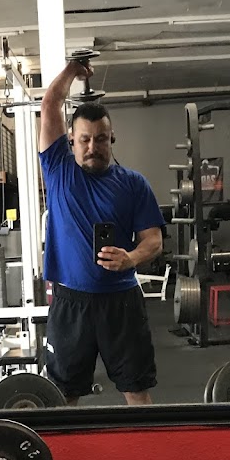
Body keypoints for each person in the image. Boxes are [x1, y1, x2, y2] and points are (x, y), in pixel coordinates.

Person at [38, 56, 165, 405]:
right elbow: (50, 105)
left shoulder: (134, 184)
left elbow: (153, 240)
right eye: (84, 140)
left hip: (121, 302)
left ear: (112, 139)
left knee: (136, 390)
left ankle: (146, 443)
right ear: (71, 140)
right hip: (70, 303)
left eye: (101, 139)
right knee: (63, 395)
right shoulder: (58, 169)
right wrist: (71, 70)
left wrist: (131, 258)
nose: (92, 147)